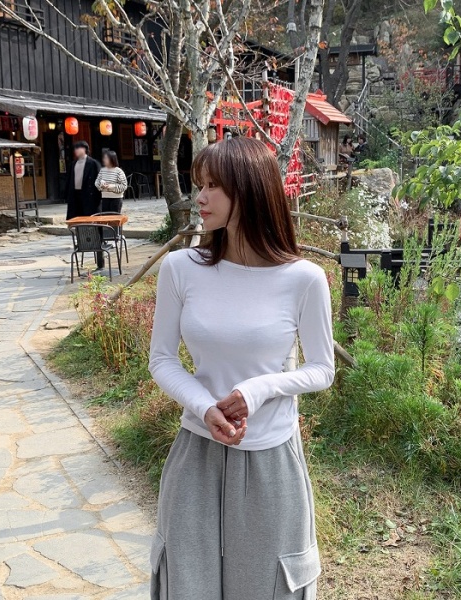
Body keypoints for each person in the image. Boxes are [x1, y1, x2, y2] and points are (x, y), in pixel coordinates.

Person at [148, 137, 335, 600]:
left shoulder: (304, 279)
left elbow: (322, 369)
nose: (200, 196)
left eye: (213, 186)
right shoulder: (180, 268)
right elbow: (162, 359)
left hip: (271, 456)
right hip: (196, 450)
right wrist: (204, 406)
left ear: (249, 190)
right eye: (199, 184)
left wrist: (259, 389)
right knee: (187, 585)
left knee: (269, 587)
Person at [65, 141, 103, 268]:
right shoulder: (73, 164)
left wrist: (98, 197)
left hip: (90, 196)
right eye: (75, 148)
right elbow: (69, 181)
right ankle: (82, 242)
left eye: (79, 148)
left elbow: (99, 180)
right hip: (76, 196)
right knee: (78, 221)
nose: (76, 150)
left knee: (92, 221)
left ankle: (97, 244)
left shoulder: (93, 163)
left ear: (85, 149)